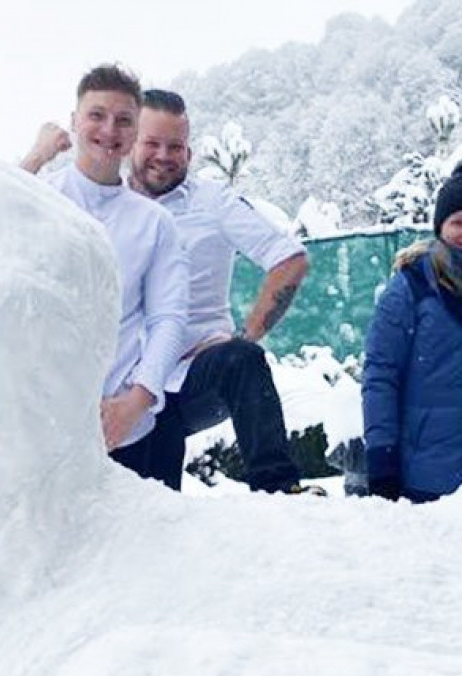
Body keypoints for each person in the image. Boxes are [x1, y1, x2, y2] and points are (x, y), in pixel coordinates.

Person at [127, 88, 320, 496]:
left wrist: (244, 335)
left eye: (175, 146)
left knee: (243, 360)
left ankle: (278, 488)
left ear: (189, 153)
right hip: (130, 388)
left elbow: (290, 259)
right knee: (146, 507)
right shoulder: (108, 204)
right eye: (153, 143)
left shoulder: (212, 202)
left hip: (196, 373)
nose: (164, 155)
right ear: (130, 143)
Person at [20, 64, 189, 487]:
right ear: (75, 120)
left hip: (122, 431)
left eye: (124, 120)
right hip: (37, 423)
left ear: (134, 133)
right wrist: (37, 155)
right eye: (97, 115)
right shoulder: (37, 198)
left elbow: (168, 318)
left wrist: (135, 402)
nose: (109, 129)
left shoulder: (155, 224)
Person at [361, 158, 462, 503]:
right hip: (422, 478)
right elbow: (381, 375)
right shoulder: (411, 287)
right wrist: (382, 456)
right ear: (440, 226)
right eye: (458, 222)